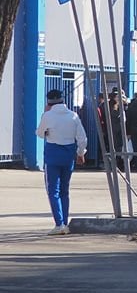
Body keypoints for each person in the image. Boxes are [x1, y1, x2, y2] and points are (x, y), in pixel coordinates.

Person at [37, 90, 88, 235]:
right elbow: (82, 138)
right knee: (65, 191)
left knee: (53, 191)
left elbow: (40, 133)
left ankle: (59, 224)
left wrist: (47, 127)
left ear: (49, 103)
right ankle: (65, 222)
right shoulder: (73, 115)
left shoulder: (48, 115)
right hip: (68, 156)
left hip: (52, 156)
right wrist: (80, 153)